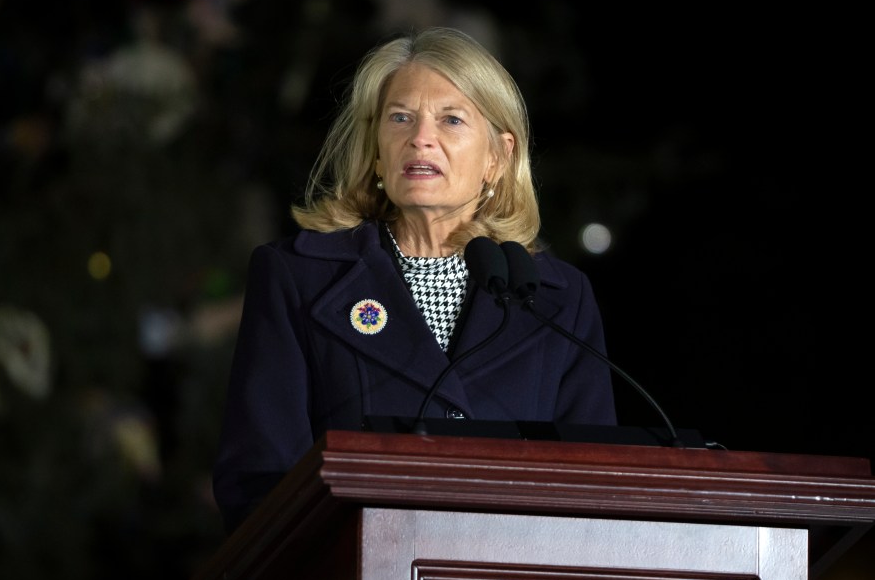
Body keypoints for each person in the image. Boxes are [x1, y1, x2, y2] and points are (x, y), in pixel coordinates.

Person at [212, 26, 617, 533]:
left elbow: (597, 487)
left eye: (451, 119)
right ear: (377, 149)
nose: (420, 138)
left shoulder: (558, 298)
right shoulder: (299, 277)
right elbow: (258, 481)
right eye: (400, 118)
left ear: (498, 156)